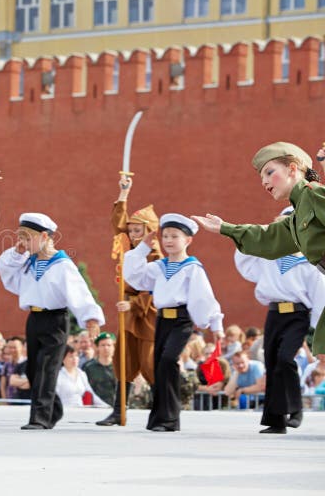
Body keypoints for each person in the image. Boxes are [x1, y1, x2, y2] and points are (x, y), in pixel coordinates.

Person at [192, 142, 325, 356]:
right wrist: (225, 228)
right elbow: (266, 238)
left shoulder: (312, 194)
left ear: (292, 169)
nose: (264, 182)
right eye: (261, 177)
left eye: (269, 172)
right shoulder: (296, 216)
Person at [0, 213, 104, 430]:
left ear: (44, 236)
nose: (23, 243)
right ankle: (54, 409)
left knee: (47, 368)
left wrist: (91, 319)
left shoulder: (62, 265)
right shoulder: (28, 263)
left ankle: (40, 418)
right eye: (21, 238)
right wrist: (17, 253)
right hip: (34, 319)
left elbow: (79, 292)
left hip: (55, 320)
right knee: (32, 370)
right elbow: (7, 274)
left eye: (27, 238)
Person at [123, 214, 224, 432]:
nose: (168, 240)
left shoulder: (193, 268)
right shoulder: (159, 267)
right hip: (162, 319)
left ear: (188, 240)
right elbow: (133, 275)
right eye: (165, 235)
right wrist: (142, 248)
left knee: (169, 360)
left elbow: (205, 298)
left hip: (181, 320)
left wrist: (216, 326)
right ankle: (160, 419)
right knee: (159, 365)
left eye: (175, 236)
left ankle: (169, 417)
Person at [233, 206, 325, 433]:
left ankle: (296, 408)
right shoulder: (269, 256)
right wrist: (260, 233)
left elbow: (319, 295)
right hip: (274, 313)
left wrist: (318, 334)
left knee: (286, 359)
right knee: (273, 364)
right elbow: (245, 262)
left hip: (298, 314)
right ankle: (276, 421)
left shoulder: (309, 260)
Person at [98, 174, 160, 426]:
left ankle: (160, 411)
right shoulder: (128, 249)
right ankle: (118, 411)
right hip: (128, 310)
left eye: (138, 230)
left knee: (148, 361)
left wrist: (134, 304)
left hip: (146, 311)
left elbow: (156, 288)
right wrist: (123, 193)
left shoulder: (155, 255)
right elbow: (118, 223)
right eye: (132, 230)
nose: (132, 234)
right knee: (123, 358)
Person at [83, 332, 117, 406]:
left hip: (115, 407)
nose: (106, 348)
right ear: (97, 347)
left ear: (114, 347)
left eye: (109, 345)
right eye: (103, 345)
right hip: (95, 407)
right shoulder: (88, 367)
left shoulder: (120, 368)